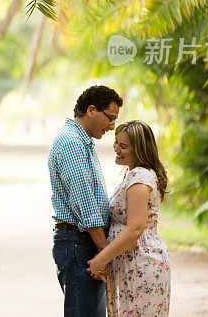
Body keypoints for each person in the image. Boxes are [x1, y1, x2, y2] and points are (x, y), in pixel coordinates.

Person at [49, 85, 123, 316]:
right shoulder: (71, 142)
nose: (112, 127)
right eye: (110, 118)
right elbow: (85, 204)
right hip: (78, 243)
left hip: (82, 243)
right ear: (91, 110)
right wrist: (105, 253)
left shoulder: (81, 141)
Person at [86, 120, 171, 317]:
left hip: (140, 260)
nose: (116, 149)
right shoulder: (131, 173)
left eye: (123, 146)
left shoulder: (140, 177)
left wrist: (101, 259)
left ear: (140, 150)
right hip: (131, 260)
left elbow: (135, 228)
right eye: (116, 143)